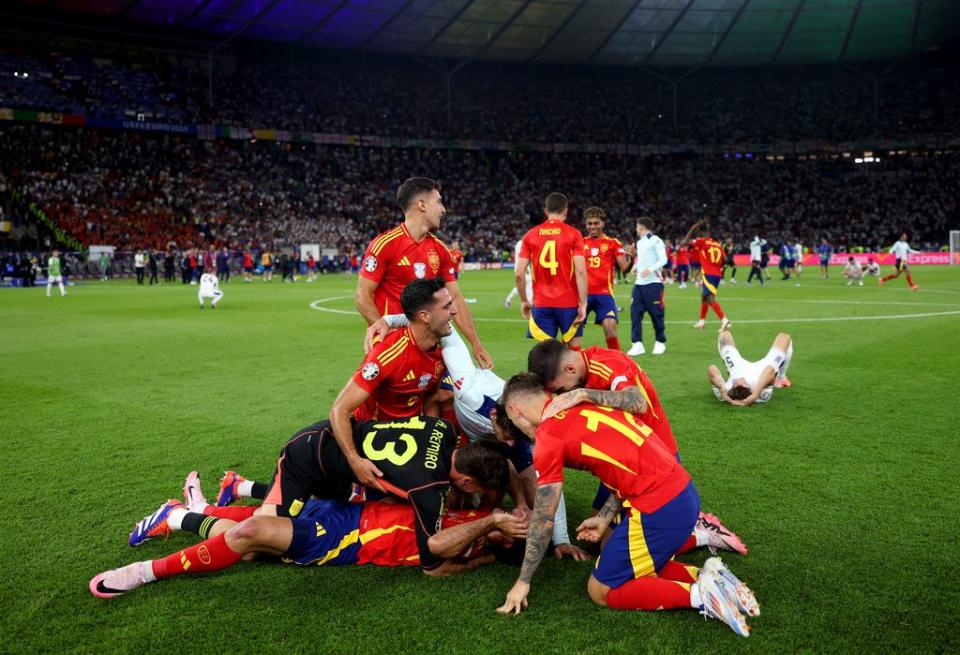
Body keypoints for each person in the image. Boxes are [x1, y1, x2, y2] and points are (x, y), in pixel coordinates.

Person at [495, 374, 759, 637]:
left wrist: (523, 581)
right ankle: (711, 575)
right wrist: (605, 517)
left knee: (599, 591)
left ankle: (702, 596)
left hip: (660, 509)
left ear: (514, 409)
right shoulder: (584, 403)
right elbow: (623, 465)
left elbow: (542, 518)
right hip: (682, 492)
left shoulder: (548, 437)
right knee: (611, 547)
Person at [364, 315, 588, 561]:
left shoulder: (526, 432)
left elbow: (550, 483)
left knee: (533, 494)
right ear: (493, 416)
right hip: (454, 421)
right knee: (451, 488)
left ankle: (491, 513)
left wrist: (561, 538)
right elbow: (446, 328)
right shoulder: (469, 389)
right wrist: (389, 320)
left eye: (517, 438)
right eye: (508, 437)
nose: (512, 443)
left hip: (478, 437)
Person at [90, 473, 526, 598]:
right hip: (351, 510)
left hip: (344, 543)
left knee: (252, 534)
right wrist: (517, 506)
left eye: (516, 534)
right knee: (257, 526)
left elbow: (437, 557)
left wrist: (492, 527)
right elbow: (500, 471)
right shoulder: (481, 507)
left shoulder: (474, 544)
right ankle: (185, 514)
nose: (512, 524)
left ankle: (145, 570)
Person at [525, 338, 748, 555]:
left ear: (570, 369)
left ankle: (701, 533)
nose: (562, 396)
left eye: (561, 389)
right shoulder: (585, 367)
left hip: (654, 461)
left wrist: (581, 394)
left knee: (615, 548)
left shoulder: (608, 366)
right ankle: (683, 526)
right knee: (597, 538)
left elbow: (637, 402)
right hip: (623, 461)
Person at [332, 278, 457, 489]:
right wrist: (355, 461)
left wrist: (430, 439)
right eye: (446, 306)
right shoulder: (386, 356)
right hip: (377, 438)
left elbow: (430, 397)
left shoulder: (442, 347)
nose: (454, 311)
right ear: (425, 316)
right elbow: (339, 409)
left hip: (410, 433)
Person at [356, 177, 491, 368]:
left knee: (445, 395)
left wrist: (475, 342)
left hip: (428, 345)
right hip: (392, 347)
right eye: (438, 201)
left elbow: (455, 297)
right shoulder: (385, 245)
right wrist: (383, 328)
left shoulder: (440, 250)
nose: (443, 209)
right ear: (421, 205)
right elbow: (362, 296)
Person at [515, 192, 587, 349]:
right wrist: (584, 303)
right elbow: (581, 271)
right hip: (568, 302)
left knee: (546, 356)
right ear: (566, 210)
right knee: (573, 351)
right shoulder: (574, 234)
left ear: (546, 211)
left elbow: (519, 273)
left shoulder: (530, 235)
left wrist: (523, 301)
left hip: (542, 303)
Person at [581, 207, 632, 351]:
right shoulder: (579, 243)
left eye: (596, 223)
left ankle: (617, 364)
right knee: (573, 331)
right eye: (589, 223)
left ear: (603, 223)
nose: (592, 226)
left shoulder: (613, 243)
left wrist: (632, 260)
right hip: (582, 294)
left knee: (610, 327)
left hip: (604, 294)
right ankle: (572, 366)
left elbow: (624, 269)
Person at [707, 327, 793, 407]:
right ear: (750, 390)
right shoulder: (762, 395)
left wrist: (722, 389)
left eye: (735, 384)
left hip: (738, 367)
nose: (739, 380)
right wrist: (755, 393)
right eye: (743, 384)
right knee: (784, 337)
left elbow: (711, 369)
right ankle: (781, 378)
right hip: (762, 369)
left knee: (724, 335)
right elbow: (769, 370)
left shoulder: (728, 391)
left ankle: (781, 378)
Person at [627, 217, 667, 356]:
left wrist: (649, 270)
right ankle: (637, 344)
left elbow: (663, 259)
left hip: (654, 284)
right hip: (639, 284)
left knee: (656, 314)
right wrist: (636, 267)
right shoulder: (639, 243)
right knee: (635, 314)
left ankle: (660, 342)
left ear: (642, 227)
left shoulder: (656, 241)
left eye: (637, 227)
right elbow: (643, 259)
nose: (636, 229)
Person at [681, 220, 731, 331]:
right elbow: (725, 260)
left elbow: (684, 242)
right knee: (704, 296)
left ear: (700, 233)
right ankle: (701, 321)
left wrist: (693, 227)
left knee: (710, 298)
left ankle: (724, 320)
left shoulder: (702, 241)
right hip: (717, 274)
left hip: (709, 273)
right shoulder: (718, 245)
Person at [503, 238, 533, 309]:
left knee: (523, 285)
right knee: (528, 283)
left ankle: (508, 299)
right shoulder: (521, 243)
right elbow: (521, 256)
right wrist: (524, 267)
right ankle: (529, 302)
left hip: (522, 266)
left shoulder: (520, 243)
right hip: (522, 266)